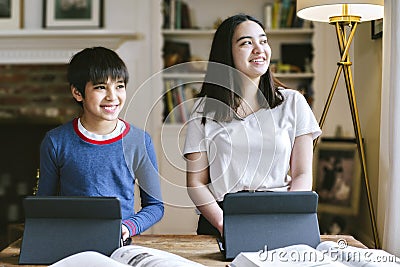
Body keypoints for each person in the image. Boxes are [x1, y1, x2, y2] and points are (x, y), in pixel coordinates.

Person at [183, 14, 321, 236]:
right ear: (226, 53)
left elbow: (302, 174)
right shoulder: (204, 109)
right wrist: (223, 224)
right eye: (247, 42)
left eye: (263, 41)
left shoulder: (294, 102)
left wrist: (289, 216)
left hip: (282, 214)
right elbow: (196, 182)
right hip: (222, 217)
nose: (259, 49)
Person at [37, 47, 164, 241]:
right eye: (100, 87)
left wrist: (128, 227)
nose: (112, 96)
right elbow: (43, 205)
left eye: (119, 86)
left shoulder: (139, 141)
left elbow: (155, 206)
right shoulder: (55, 141)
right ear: (77, 93)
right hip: (69, 242)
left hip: (119, 242)